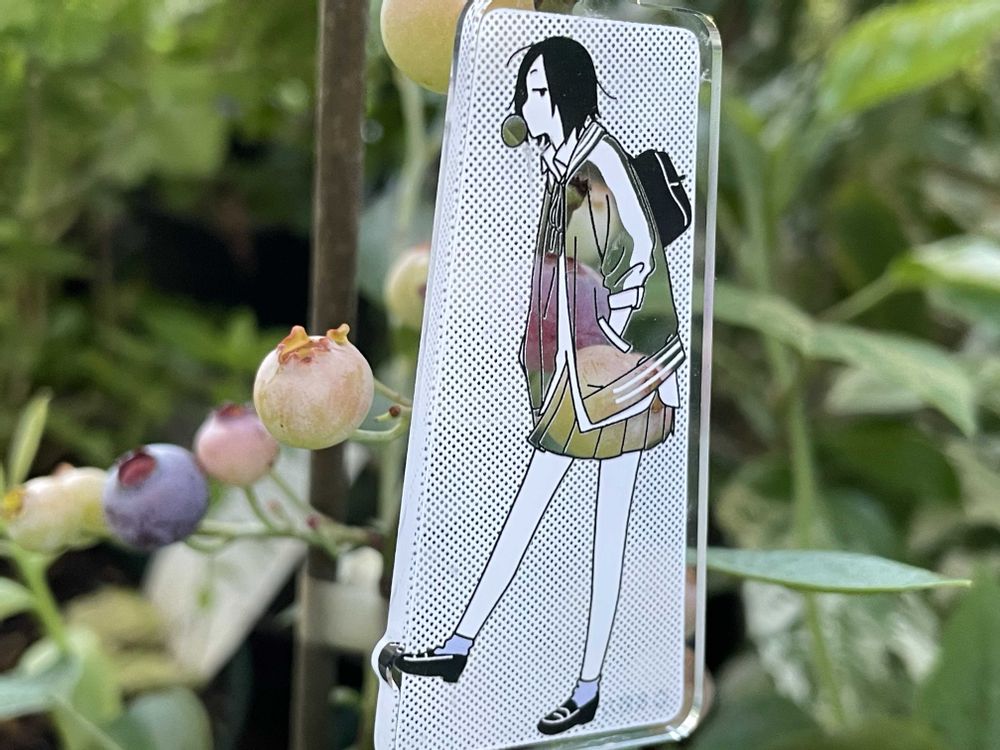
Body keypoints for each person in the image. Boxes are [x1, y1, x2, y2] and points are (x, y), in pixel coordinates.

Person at [395, 36, 685, 736]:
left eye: (537, 94)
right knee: (535, 506)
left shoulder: (598, 164)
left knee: (606, 529)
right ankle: (462, 647)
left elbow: (641, 254)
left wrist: (609, 332)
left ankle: (586, 686)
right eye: (525, 93)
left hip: (620, 376)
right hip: (576, 374)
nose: (525, 106)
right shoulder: (563, 167)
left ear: (566, 98)